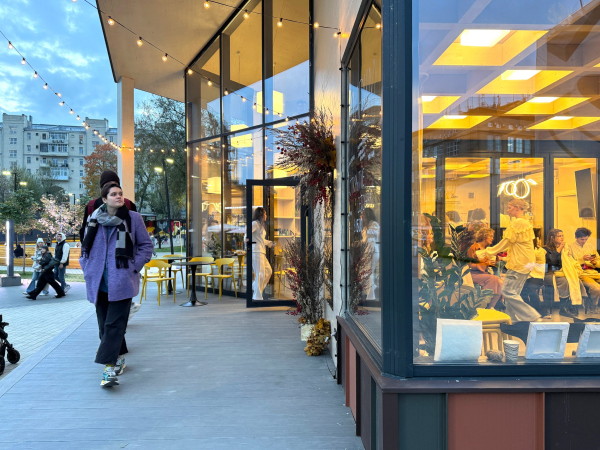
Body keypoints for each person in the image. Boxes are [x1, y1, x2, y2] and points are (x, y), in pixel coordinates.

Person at [80, 184, 153, 388]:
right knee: (105, 325)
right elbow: (85, 246)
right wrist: (85, 267)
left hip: (122, 279)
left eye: (121, 193)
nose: (119, 196)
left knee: (113, 325)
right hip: (98, 280)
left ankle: (109, 369)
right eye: (114, 194)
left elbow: (147, 246)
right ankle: (119, 356)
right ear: (104, 199)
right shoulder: (94, 219)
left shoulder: (133, 218)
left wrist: (133, 266)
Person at [79, 170, 141, 317]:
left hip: (118, 264)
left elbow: (84, 234)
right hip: (120, 261)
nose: (117, 197)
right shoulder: (128, 204)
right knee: (110, 322)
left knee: (113, 322)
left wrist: (135, 264)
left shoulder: (91, 205)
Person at [476, 198, 541, 322]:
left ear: (517, 208)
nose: (507, 210)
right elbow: (516, 245)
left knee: (508, 291)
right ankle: (512, 320)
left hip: (520, 263)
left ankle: (531, 316)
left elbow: (505, 243)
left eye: (510, 207)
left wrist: (486, 252)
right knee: (512, 292)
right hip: (525, 262)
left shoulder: (518, 223)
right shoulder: (525, 223)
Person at [544, 228, 587, 318]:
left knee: (575, 280)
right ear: (552, 237)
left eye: (562, 236)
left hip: (563, 272)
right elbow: (551, 262)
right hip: (551, 273)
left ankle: (571, 305)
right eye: (559, 236)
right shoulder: (546, 249)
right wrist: (558, 250)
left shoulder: (565, 248)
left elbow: (569, 261)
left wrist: (568, 257)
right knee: (565, 282)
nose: (562, 238)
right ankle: (563, 308)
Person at [467, 227, 503, 310]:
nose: (492, 238)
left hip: (483, 273)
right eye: (490, 236)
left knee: (501, 283)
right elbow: (470, 265)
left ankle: (491, 307)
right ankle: (483, 303)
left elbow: (494, 263)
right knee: (493, 278)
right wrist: (485, 263)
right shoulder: (473, 248)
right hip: (473, 274)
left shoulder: (487, 249)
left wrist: (494, 260)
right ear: (484, 236)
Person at [569, 227, 600, 314]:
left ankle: (594, 302)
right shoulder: (570, 248)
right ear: (576, 237)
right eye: (582, 239)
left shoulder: (590, 246)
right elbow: (570, 264)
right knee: (596, 288)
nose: (584, 241)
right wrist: (581, 259)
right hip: (581, 273)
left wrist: (595, 262)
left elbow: (598, 261)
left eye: (586, 239)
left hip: (593, 272)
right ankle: (593, 305)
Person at [249, 207, 274, 300]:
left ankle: (255, 287)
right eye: (265, 213)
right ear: (261, 214)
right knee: (260, 274)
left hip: (261, 251)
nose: (266, 215)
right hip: (256, 251)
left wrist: (269, 243)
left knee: (268, 271)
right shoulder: (255, 223)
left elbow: (261, 240)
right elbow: (247, 233)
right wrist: (247, 241)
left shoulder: (261, 225)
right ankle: (257, 297)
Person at [521, 238, 549, 318]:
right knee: (521, 289)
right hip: (527, 275)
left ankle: (542, 311)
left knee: (530, 288)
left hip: (537, 275)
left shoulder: (540, 251)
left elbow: (533, 264)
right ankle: (529, 311)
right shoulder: (525, 250)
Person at [362, 208, 380, 300]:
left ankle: (371, 296)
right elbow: (364, 240)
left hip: (373, 251)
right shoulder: (366, 226)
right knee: (365, 273)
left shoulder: (373, 224)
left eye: (363, 215)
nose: (362, 217)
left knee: (369, 272)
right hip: (367, 251)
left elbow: (377, 234)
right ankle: (373, 288)